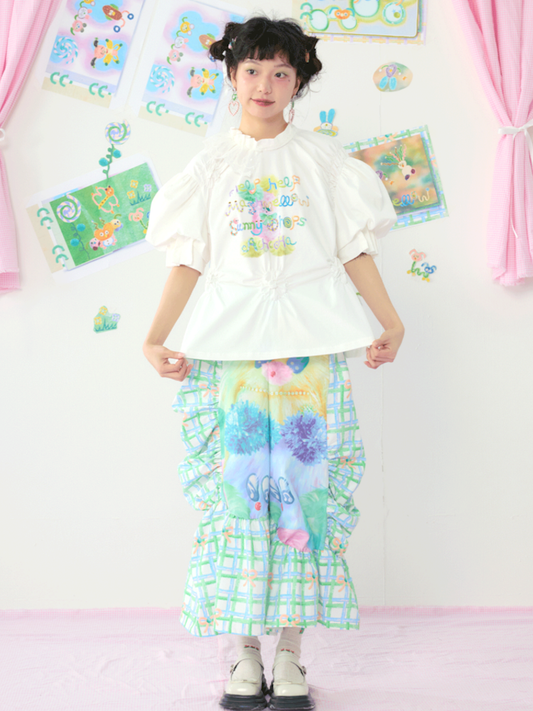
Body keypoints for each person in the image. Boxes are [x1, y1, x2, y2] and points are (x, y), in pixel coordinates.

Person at [143, 14, 404, 711]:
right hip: (229, 351)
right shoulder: (209, 168)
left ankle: (289, 651)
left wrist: (389, 320)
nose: (264, 84)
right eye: (252, 69)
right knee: (239, 501)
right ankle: (242, 649)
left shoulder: (324, 162)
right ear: (231, 76)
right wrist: (155, 336)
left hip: (309, 347)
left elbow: (354, 249)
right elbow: (187, 260)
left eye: (280, 72)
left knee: (301, 498)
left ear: (299, 81)